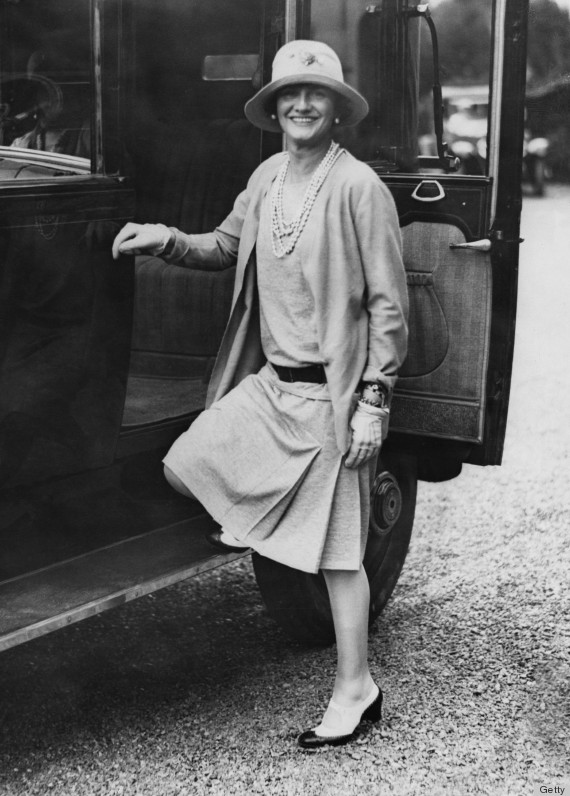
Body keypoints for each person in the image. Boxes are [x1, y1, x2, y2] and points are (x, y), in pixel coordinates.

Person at [112, 40, 408, 749]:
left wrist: (375, 400)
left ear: (336, 110)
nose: (302, 105)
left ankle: (355, 688)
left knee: (340, 560)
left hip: (332, 398)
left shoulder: (358, 187)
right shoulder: (268, 175)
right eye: (289, 95)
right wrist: (165, 239)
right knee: (187, 463)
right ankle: (276, 524)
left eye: (316, 95)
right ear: (273, 108)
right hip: (273, 389)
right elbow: (224, 245)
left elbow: (389, 306)